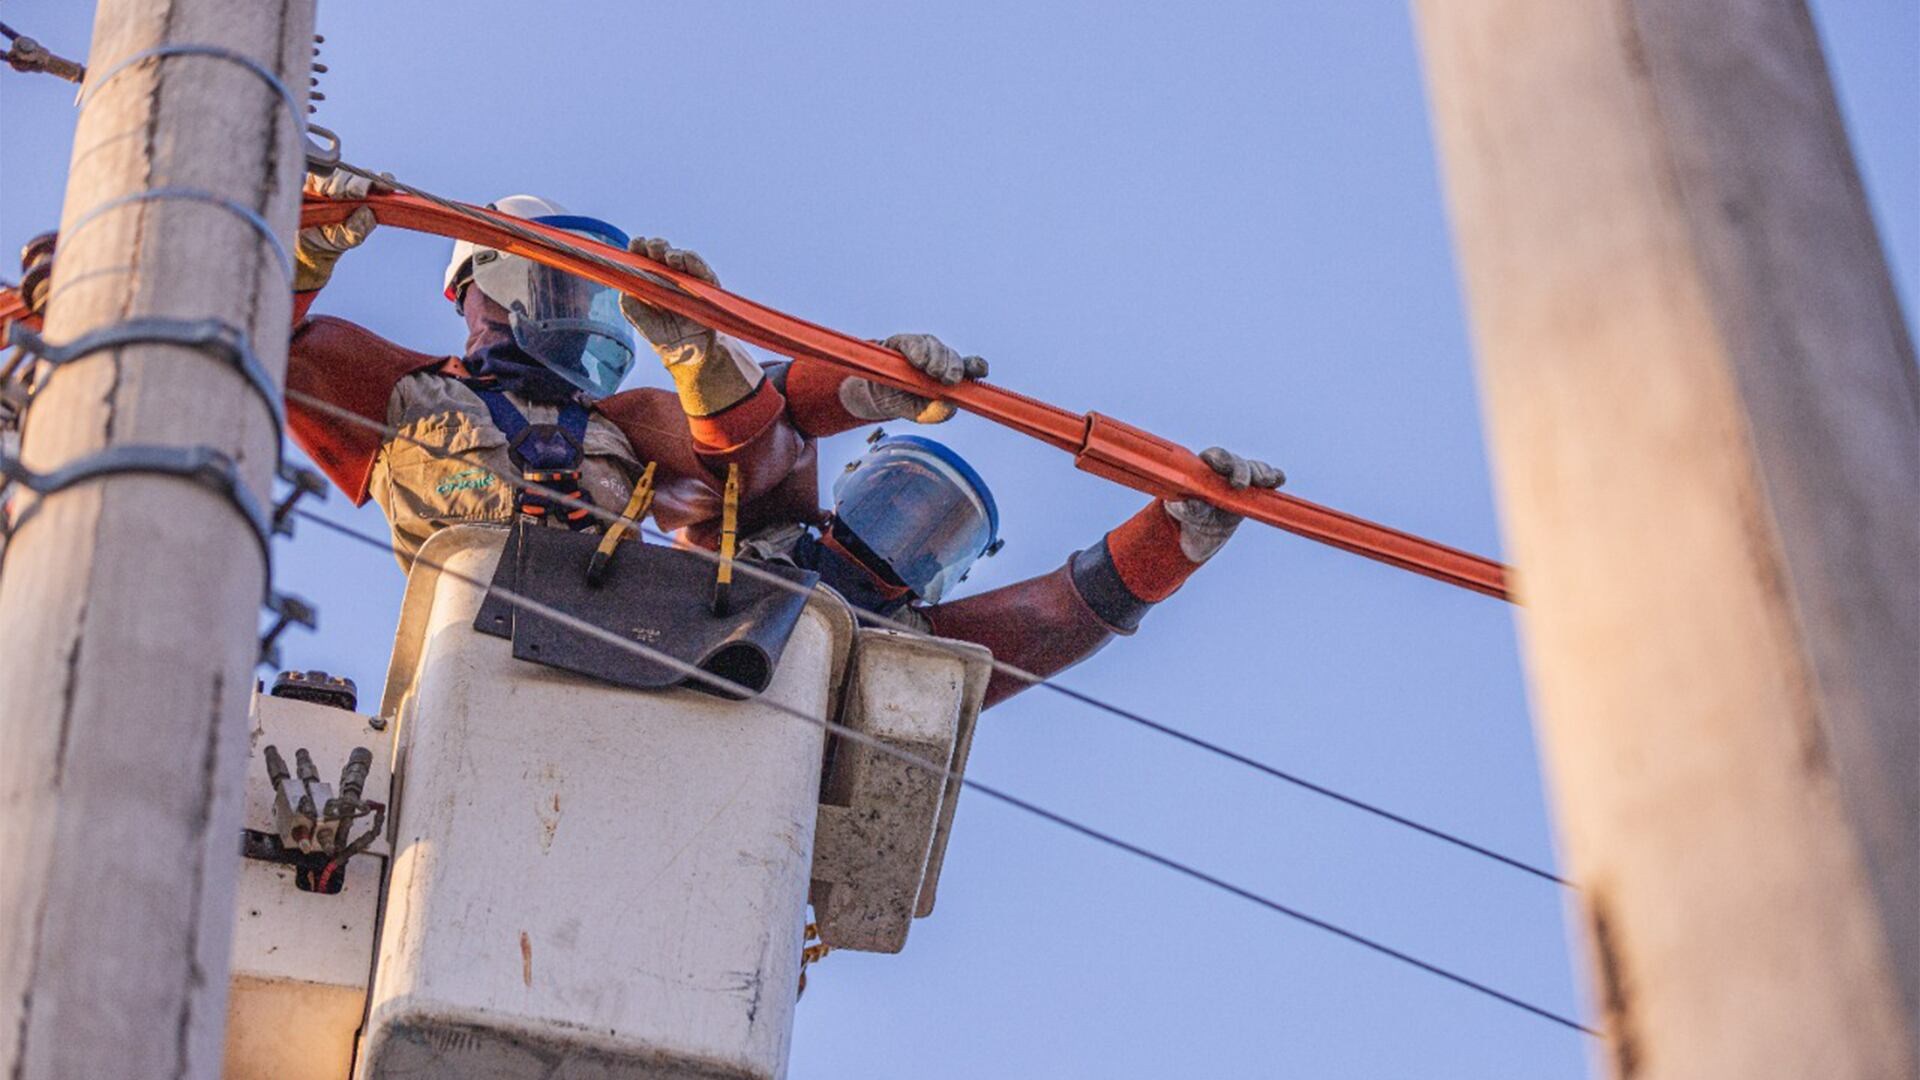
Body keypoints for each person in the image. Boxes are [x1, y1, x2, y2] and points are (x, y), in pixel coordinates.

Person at [289, 168, 994, 565]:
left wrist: (864, 384)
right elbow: (254, 346)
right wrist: (305, 253)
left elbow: (757, 457)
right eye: (562, 282)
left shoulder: (623, 427)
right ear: (494, 280)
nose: (582, 306)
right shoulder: (403, 395)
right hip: (462, 669)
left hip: (615, 666)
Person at [739, 432, 1285, 707]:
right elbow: (760, 437)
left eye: (937, 527)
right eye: (904, 498)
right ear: (864, 484)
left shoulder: (910, 647)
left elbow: (1057, 616)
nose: (909, 525)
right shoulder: (761, 530)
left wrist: (1176, 535)